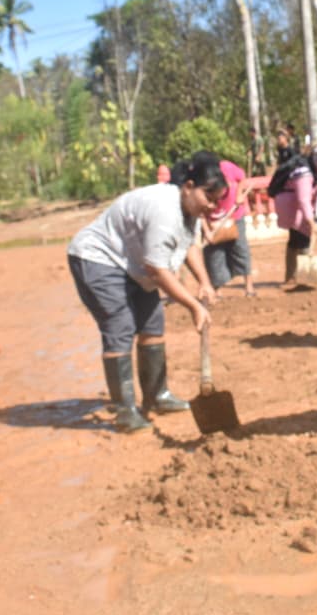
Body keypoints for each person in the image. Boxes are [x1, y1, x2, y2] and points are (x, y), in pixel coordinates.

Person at [67, 152, 224, 433]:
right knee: (120, 327)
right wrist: (193, 305)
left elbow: (189, 246)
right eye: (208, 197)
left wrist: (205, 281)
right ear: (188, 186)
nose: (211, 206)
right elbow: (158, 269)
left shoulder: (191, 210)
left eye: (215, 200)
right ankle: (125, 411)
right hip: (99, 259)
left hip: (132, 264)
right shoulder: (164, 209)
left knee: (153, 323)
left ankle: (157, 396)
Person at [273, 143, 317, 286]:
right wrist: (312, 222)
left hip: (303, 204)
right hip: (290, 204)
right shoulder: (304, 174)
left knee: (296, 239)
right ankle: (304, 275)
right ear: (316, 160)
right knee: (302, 236)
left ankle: (292, 276)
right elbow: (303, 200)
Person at [203, 157, 256, 297]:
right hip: (213, 221)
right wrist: (207, 231)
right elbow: (200, 214)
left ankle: (249, 287)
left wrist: (239, 196)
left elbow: (242, 178)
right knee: (214, 255)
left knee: (240, 249)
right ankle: (217, 289)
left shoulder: (226, 166)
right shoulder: (202, 177)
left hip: (235, 215)